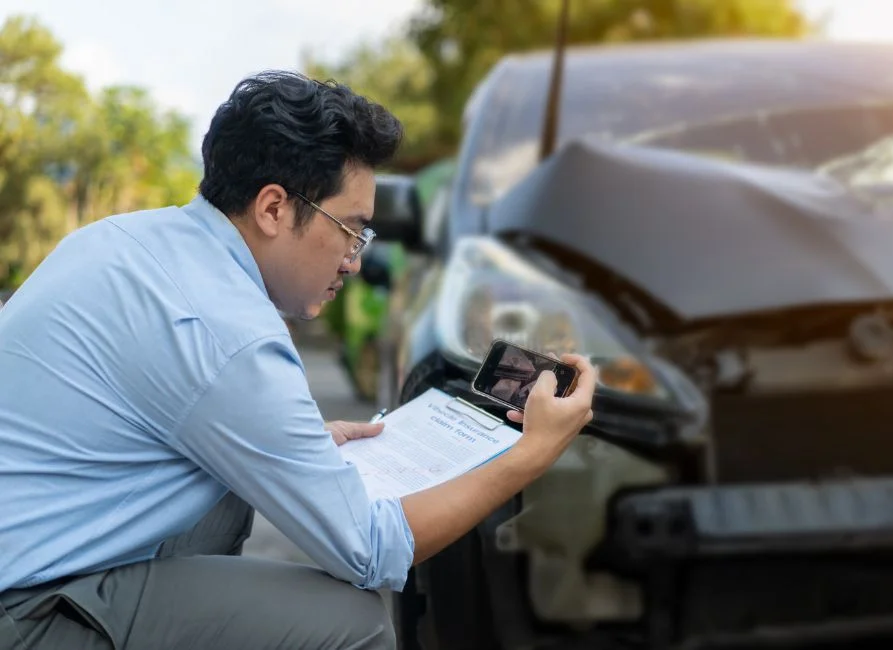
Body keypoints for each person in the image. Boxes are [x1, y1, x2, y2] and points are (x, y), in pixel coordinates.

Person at [0, 71, 595, 649]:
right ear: (273, 209)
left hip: (33, 556)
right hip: (24, 611)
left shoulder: (126, 239)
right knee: (347, 619)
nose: (355, 261)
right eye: (351, 229)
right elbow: (371, 550)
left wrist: (300, 442)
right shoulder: (228, 332)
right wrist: (530, 455)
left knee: (226, 492)